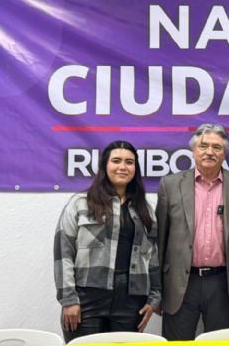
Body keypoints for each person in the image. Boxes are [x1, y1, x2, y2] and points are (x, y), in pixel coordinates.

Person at [155, 123, 229, 340]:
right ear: (193, 151)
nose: (210, 152)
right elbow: (160, 243)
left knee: (220, 344)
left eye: (217, 147)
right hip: (180, 283)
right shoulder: (170, 185)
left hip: (224, 283)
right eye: (203, 146)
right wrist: (157, 291)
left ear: (225, 152)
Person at [54, 140, 159, 343]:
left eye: (129, 162)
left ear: (135, 169)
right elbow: (63, 253)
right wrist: (68, 299)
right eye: (116, 161)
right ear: (105, 166)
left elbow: (152, 256)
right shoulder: (80, 203)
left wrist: (155, 298)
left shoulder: (145, 210)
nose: (123, 167)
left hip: (131, 299)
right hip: (87, 298)